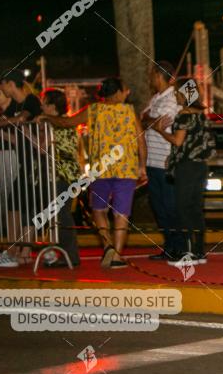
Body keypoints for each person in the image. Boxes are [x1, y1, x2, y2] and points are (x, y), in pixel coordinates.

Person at [39, 77, 146, 269]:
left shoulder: (93, 110)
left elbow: (68, 122)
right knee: (121, 214)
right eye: (125, 90)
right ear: (117, 92)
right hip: (126, 169)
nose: (127, 93)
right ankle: (116, 255)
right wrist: (143, 166)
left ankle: (108, 246)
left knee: (99, 210)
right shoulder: (130, 112)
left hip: (100, 170)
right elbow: (140, 140)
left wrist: (48, 118)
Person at [0, 70, 44, 268]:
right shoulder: (15, 106)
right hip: (23, 161)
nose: (1, 90)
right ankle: (16, 250)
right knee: (17, 205)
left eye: (3, 86)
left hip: (37, 163)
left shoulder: (31, 101)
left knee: (27, 206)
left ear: (11, 84)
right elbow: (16, 134)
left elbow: (21, 121)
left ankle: (21, 251)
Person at [154, 78, 215, 266]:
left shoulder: (184, 114)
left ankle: (187, 253)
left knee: (182, 208)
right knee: (196, 208)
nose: (175, 96)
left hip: (186, 167)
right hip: (201, 166)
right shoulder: (203, 115)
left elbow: (178, 141)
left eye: (176, 93)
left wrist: (161, 131)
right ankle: (199, 252)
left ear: (183, 93)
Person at [140, 62, 184, 261]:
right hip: (152, 161)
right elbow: (143, 118)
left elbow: (156, 121)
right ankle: (169, 246)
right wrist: (150, 120)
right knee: (158, 207)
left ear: (159, 75)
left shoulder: (172, 100)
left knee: (170, 206)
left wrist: (148, 120)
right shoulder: (156, 98)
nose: (150, 78)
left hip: (166, 161)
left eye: (152, 75)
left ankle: (179, 248)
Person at [40, 89, 81, 268]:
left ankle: (70, 255)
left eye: (44, 102)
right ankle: (65, 253)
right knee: (58, 214)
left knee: (62, 215)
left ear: (52, 106)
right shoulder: (58, 123)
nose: (42, 106)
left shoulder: (62, 124)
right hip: (62, 174)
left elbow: (60, 149)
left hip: (64, 174)